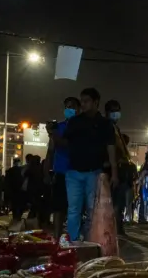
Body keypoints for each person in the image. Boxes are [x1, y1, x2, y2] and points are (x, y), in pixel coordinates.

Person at [53, 88, 117, 243]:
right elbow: (65, 142)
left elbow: (111, 148)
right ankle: (73, 242)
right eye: (82, 101)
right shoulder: (75, 122)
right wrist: (53, 134)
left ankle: (89, 241)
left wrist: (114, 173)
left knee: (92, 210)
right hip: (73, 172)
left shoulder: (105, 124)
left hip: (94, 172)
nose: (83, 104)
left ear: (96, 102)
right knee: (73, 210)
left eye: (86, 101)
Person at [44, 97, 79, 239]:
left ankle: (73, 239)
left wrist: (54, 135)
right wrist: (46, 172)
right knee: (58, 209)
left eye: (72, 106)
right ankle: (57, 239)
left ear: (79, 108)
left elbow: (70, 146)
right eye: (67, 106)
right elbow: (51, 151)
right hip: (60, 173)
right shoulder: (59, 127)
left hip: (76, 173)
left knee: (74, 209)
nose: (69, 109)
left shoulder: (81, 127)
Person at [104, 99, 132, 234]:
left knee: (119, 203)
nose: (116, 113)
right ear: (107, 112)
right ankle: (114, 230)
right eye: (113, 111)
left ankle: (117, 228)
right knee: (115, 203)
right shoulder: (107, 126)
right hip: (113, 169)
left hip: (120, 169)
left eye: (117, 110)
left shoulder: (115, 127)